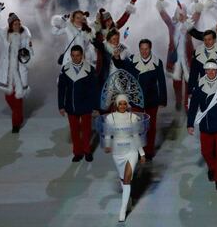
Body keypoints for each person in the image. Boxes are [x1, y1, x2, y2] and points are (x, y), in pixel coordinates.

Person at [113, 39, 167, 161]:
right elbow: (121, 65)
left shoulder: (157, 62)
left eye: (146, 48)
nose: (144, 51)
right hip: (136, 99)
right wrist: (116, 58)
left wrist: (162, 100)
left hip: (151, 100)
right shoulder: (132, 59)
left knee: (150, 127)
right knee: (136, 127)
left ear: (150, 48)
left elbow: (162, 81)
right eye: (141, 48)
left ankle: (149, 151)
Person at [0, 3, 34, 133]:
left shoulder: (25, 36)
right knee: (9, 97)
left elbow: (30, 53)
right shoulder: (3, 33)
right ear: (10, 25)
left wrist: (26, 53)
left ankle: (15, 125)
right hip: (6, 72)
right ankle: (19, 115)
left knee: (17, 99)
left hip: (19, 71)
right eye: (14, 23)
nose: (17, 25)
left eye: (18, 23)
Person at [187, 59, 217, 190]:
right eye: (208, 69)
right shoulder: (199, 85)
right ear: (205, 71)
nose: (211, 72)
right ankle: (213, 167)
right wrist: (190, 124)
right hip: (206, 124)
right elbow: (194, 106)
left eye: (213, 69)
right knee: (206, 152)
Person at [156, 0, 202, 111]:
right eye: (179, 13)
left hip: (187, 57)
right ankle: (178, 101)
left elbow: (197, 14)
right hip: (175, 58)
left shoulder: (189, 25)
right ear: (176, 14)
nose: (181, 15)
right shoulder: (172, 25)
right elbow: (163, 14)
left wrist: (196, 0)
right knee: (176, 81)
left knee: (188, 81)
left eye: (183, 13)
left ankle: (187, 105)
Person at [103, 94, 146, 222]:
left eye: (124, 104)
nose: (122, 106)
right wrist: (107, 145)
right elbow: (107, 134)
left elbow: (136, 136)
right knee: (123, 179)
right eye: (120, 103)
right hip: (117, 152)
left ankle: (122, 211)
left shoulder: (133, 117)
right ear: (116, 104)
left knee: (127, 179)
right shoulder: (111, 118)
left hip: (131, 150)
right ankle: (128, 201)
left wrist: (142, 153)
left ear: (127, 105)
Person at [58, 45, 99, 162]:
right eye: (73, 55)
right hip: (71, 105)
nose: (76, 58)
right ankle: (77, 152)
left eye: (78, 55)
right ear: (71, 56)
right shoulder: (65, 69)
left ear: (82, 55)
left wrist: (95, 107)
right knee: (74, 131)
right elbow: (61, 89)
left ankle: (87, 151)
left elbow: (94, 90)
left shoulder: (90, 69)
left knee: (86, 131)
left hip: (86, 105)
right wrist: (61, 106)